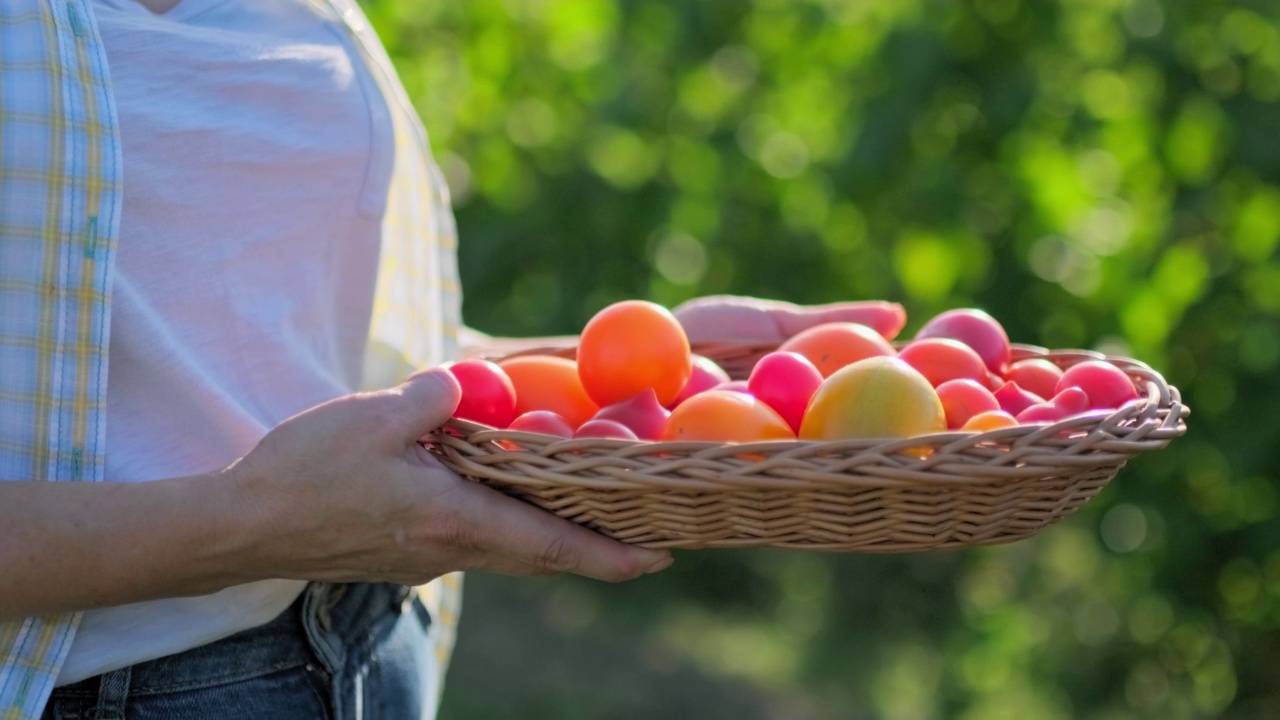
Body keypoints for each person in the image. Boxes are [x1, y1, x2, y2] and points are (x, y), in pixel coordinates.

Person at [0, 1, 906, 718]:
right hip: (104, 689)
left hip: (371, 644)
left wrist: (624, 378)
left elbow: (284, 344)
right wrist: (251, 523)